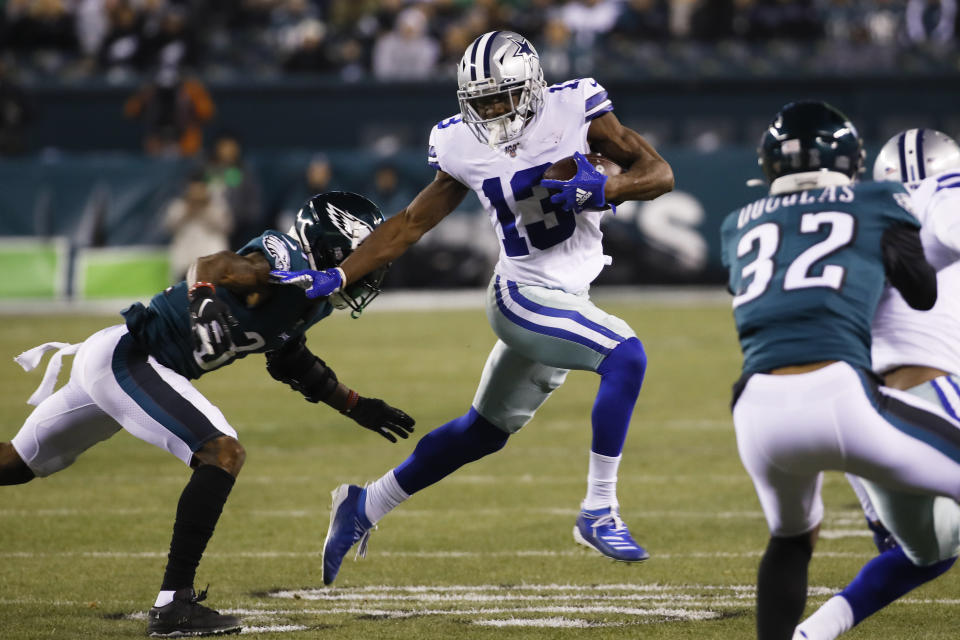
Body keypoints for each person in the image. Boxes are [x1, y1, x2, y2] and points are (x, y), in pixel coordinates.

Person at [269, 30, 674, 585]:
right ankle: (599, 510)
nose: (491, 110)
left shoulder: (575, 108)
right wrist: (339, 274)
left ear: (531, 85)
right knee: (627, 357)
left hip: (567, 297)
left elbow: (659, 174)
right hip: (522, 295)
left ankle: (363, 506)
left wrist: (609, 190)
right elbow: (410, 224)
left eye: (500, 96)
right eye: (479, 100)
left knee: (483, 431)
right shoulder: (461, 144)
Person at [0, 192, 414, 637]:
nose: (371, 269)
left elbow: (289, 359)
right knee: (221, 452)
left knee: (16, 465)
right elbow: (214, 265)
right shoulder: (282, 259)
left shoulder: (311, 297)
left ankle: (173, 603)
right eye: (366, 256)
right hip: (132, 359)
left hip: (116, 361)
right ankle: (173, 604)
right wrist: (204, 300)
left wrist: (355, 405)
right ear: (336, 245)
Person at [721, 100, 960, 640]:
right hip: (843, 395)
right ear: (850, 162)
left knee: (790, 541)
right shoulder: (875, 200)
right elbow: (921, 292)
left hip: (756, 410)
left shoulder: (736, 224)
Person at [793, 128, 960, 640]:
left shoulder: (847, 222)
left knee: (926, 554)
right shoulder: (941, 192)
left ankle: (813, 633)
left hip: (851, 412)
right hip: (926, 395)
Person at [164, 169, 234, 283]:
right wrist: (189, 210)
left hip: (212, 259)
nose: (197, 192)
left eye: (200, 188)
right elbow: (170, 227)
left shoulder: (217, 206)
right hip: (185, 261)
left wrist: (205, 208)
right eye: (193, 189)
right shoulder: (179, 206)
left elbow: (226, 227)